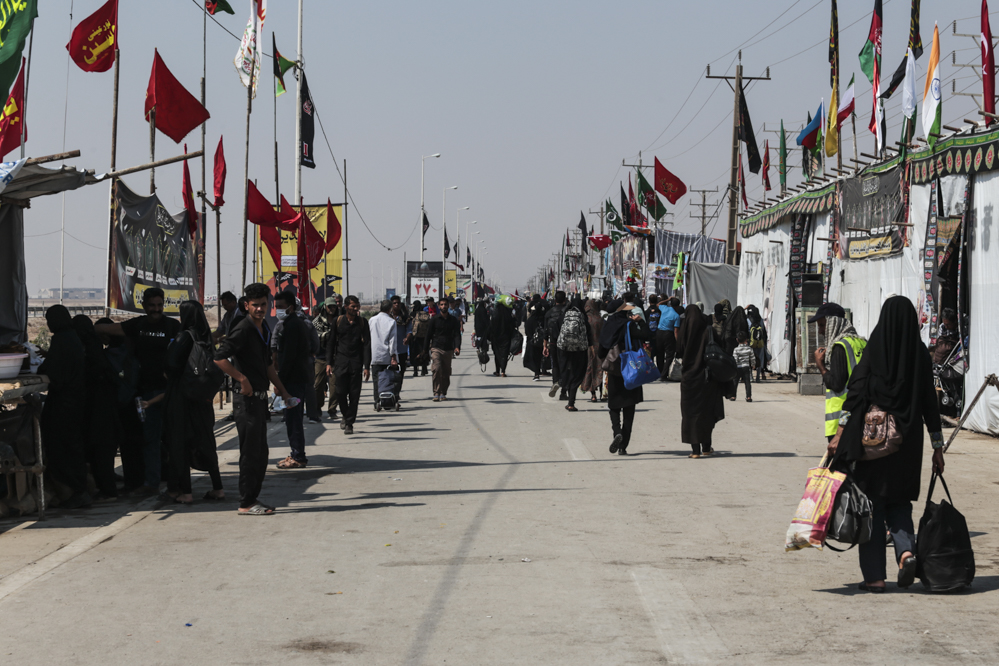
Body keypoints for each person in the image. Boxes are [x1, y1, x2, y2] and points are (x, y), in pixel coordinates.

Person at [829, 296, 944, 593]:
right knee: (900, 502)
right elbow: (930, 405)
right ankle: (906, 552)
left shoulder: (875, 349)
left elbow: (855, 392)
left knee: (872, 507)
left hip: (875, 443)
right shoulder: (919, 354)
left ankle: (875, 578)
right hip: (907, 444)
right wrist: (937, 447)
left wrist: (841, 430)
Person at [214, 283, 294, 515]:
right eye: (255, 305)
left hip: (260, 401)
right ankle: (246, 503)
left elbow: (268, 365)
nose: (259, 309)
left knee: (261, 454)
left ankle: (252, 499)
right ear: (247, 305)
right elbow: (219, 358)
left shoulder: (263, 329)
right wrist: (242, 379)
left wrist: (283, 391)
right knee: (250, 454)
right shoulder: (243, 329)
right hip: (246, 402)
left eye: (263, 304)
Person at [95, 288, 181, 494]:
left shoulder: (172, 326)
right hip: (145, 392)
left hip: (170, 391)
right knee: (150, 439)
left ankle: (177, 483)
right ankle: (152, 483)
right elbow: (106, 330)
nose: (156, 309)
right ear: (144, 306)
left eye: (160, 305)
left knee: (175, 439)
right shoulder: (137, 325)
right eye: (152, 305)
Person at [163, 301, 225, 502]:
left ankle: (186, 493)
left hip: (182, 398)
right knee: (206, 441)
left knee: (180, 443)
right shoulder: (206, 337)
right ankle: (218, 488)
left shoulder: (184, 336)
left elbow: (171, 365)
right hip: (203, 398)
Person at [38, 305, 91, 509]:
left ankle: (75, 491)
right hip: (74, 402)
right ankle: (78, 490)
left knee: (63, 447)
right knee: (72, 447)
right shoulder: (70, 337)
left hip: (64, 404)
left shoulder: (61, 339)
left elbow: (56, 373)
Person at [72, 315, 121, 501]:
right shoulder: (95, 348)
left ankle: (108, 490)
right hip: (104, 410)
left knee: (100, 452)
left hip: (98, 412)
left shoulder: (88, 351)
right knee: (102, 452)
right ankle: (106, 487)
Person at [96, 316, 145, 493]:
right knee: (134, 445)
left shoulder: (109, 355)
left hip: (122, 404)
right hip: (135, 401)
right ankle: (137, 480)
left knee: (127, 445)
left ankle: (133, 482)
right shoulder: (130, 348)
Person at [597, 302, 650, 455]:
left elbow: (601, 351)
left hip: (614, 371)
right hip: (631, 370)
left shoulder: (608, 325)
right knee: (629, 407)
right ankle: (623, 446)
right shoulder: (629, 325)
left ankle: (617, 432)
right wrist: (640, 321)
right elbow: (646, 335)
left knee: (614, 405)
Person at [811, 302, 867, 442]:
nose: (820, 331)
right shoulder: (862, 343)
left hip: (841, 421)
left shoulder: (840, 347)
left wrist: (821, 366)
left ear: (833, 323)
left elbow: (836, 384)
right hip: (863, 416)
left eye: (822, 325)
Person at [676, 304, 725, 458]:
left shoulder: (685, 332)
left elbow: (678, 351)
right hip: (707, 379)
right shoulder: (708, 331)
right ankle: (706, 447)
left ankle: (695, 450)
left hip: (689, 380)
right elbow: (721, 348)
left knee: (690, 415)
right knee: (706, 413)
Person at [272, 291, 313, 468]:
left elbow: (288, 357)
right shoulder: (292, 323)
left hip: (293, 380)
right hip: (295, 378)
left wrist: (279, 383)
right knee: (291, 417)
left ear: (290, 306)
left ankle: (298, 456)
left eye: (281, 307)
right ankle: (296, 453)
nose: (278, 310)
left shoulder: (292, 326)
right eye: (276, 307)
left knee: (293, 418)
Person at [325, 295, 371, 434]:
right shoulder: (338, 321)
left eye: (357, 306)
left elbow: (367, 345)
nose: (356, 309)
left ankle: (349, 423)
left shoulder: (363, 322)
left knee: (354, 395)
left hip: (356, 363)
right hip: (340, 362)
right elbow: (331, 343)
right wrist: (329, 363)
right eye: (352, 306)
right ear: (345, 307)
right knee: (340, 393)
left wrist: (367, 366)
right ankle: (345, 415)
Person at [557, 296, 591, 411]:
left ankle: (562, 386)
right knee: (577, 374)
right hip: (579, 350)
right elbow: (588, 334)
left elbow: (556, 330)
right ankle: (571, 402)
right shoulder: (582, 316)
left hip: (565, 348)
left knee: (565, 370)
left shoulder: (564, 315)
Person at [426, 301, 462, 401]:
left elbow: (457, 335)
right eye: (441, 305)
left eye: (445, 304)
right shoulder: (434, 319)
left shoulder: (453, 320)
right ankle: (436, 392)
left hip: (448, 349)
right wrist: (425, 350)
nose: (443, 306)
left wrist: (457, 347)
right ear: (439, 306)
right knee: (436, 369)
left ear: (448, 305)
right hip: (436, 347)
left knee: (446, 372)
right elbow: (428, 335)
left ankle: (443, 392)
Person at [312, 297, 341, 420]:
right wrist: (330, 334)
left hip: (336, 358)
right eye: (330, 306)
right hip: (320, 357)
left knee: (334, 386)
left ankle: (332, 409)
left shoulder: (339, 321)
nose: (332, 309)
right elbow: (315, 337)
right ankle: (318, 407)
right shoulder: (317, 322)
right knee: (318, 385)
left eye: (334, 306)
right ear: (325, 307)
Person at [368, 300, 399, 411]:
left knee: (376, 380)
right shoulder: (391, 321)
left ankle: (377, 401)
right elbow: (392, 341)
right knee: (389, 379)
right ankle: (389, 400)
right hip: (386, 356)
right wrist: (394, 356)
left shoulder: (372, 320)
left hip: (374, 355)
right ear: (390, 309)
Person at [543, 291, 568, 399]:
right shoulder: (567, 312)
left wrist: (545, 346)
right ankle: (564, 392)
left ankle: (555, 382)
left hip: (553, 342)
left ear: (555, 300)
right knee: (566, 366)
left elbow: (545, 331)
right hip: (566, 343)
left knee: (555, 365)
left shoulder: (549, 313)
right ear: (564, 300)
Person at [581, 298, 605, 402]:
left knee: (590, 369)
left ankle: (593, 395)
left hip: (588, 349)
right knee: (601, 370)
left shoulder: (585, 319)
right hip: (600, 348)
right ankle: (602, 394)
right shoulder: (601, 318)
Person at [655, 296, 682, 381]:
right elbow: (676, 331)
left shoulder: (665, 308)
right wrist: (678, 342)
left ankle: (659, 372)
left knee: (660, 353)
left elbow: (658, 304)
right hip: (668, 334)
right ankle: (664, 374)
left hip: (659, 333)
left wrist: (667, 299)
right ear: (678, 306)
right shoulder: (676, 316)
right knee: (669, 355)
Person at [489, 295, 515, 377]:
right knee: (504, 354)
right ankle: (503, 371)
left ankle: (497, 371)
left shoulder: (495, 314)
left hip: (496, 337)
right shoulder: (508, 314)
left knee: (497, 354)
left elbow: (491, 326)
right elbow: (513, 325)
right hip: (506, 337)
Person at [523, 301, 545, 381]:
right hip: (542, 342)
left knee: (534, 358)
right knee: (539, 357)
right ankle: (539, 371)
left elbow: (527, 331)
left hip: (532, 342)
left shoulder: (530, 320)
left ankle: (536, 373)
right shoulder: (543, 319)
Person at [732, 330, 756, 402]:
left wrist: (734, 367)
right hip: (746, 367)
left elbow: (735, 359)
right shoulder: (749, 349)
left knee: (735, 382)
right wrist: (753, 364)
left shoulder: (736, 350)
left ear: (737, 339)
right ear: (746, 340)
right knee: (747, 382)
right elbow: (752, 357)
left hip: (738, 368)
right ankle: (748, 397)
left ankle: (733, 396)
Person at [746, 304, 768, 382]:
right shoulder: (761, 320)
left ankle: (751, 377)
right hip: (760, 343)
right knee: (759, 360)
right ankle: (758, 377)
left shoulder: (747, 320)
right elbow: (764, 333)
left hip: (751, 343)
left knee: (750, 359)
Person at [410, 299, 432, 377]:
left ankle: (415, 371)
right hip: (425, 337)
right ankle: (424, 369)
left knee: (414, 353)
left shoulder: (413, 314)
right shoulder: (425, 314)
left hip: (415, 337)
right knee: (424, 352)